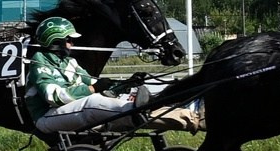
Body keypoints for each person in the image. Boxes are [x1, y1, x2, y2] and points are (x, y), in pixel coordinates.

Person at [22, 15, 188, 136]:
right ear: (55, 41)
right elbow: (54, 97)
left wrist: (126, 84)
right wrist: (92, 88)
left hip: (69, 111)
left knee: (111, 101)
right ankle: (139, 109)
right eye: (69, 40)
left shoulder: (69, 62)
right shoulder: (39, 61)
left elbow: (97, 83)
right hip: (46, 117)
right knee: (92, 102)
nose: (72, 43)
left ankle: (186, 115)